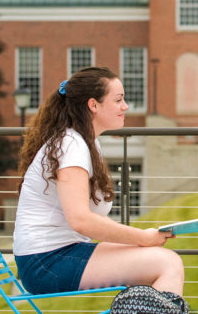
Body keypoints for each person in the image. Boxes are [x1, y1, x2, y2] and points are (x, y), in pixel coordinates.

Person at [12, 66, 184, 296]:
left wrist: (141, 241)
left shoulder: (86, 143)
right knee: (167, 263)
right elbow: (81, 220)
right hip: (46, 262)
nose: (126, 106)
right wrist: (143, 237)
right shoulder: (71, 145)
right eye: (118, 100)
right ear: (93, 105)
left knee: (153, 259)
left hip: (62, 253)